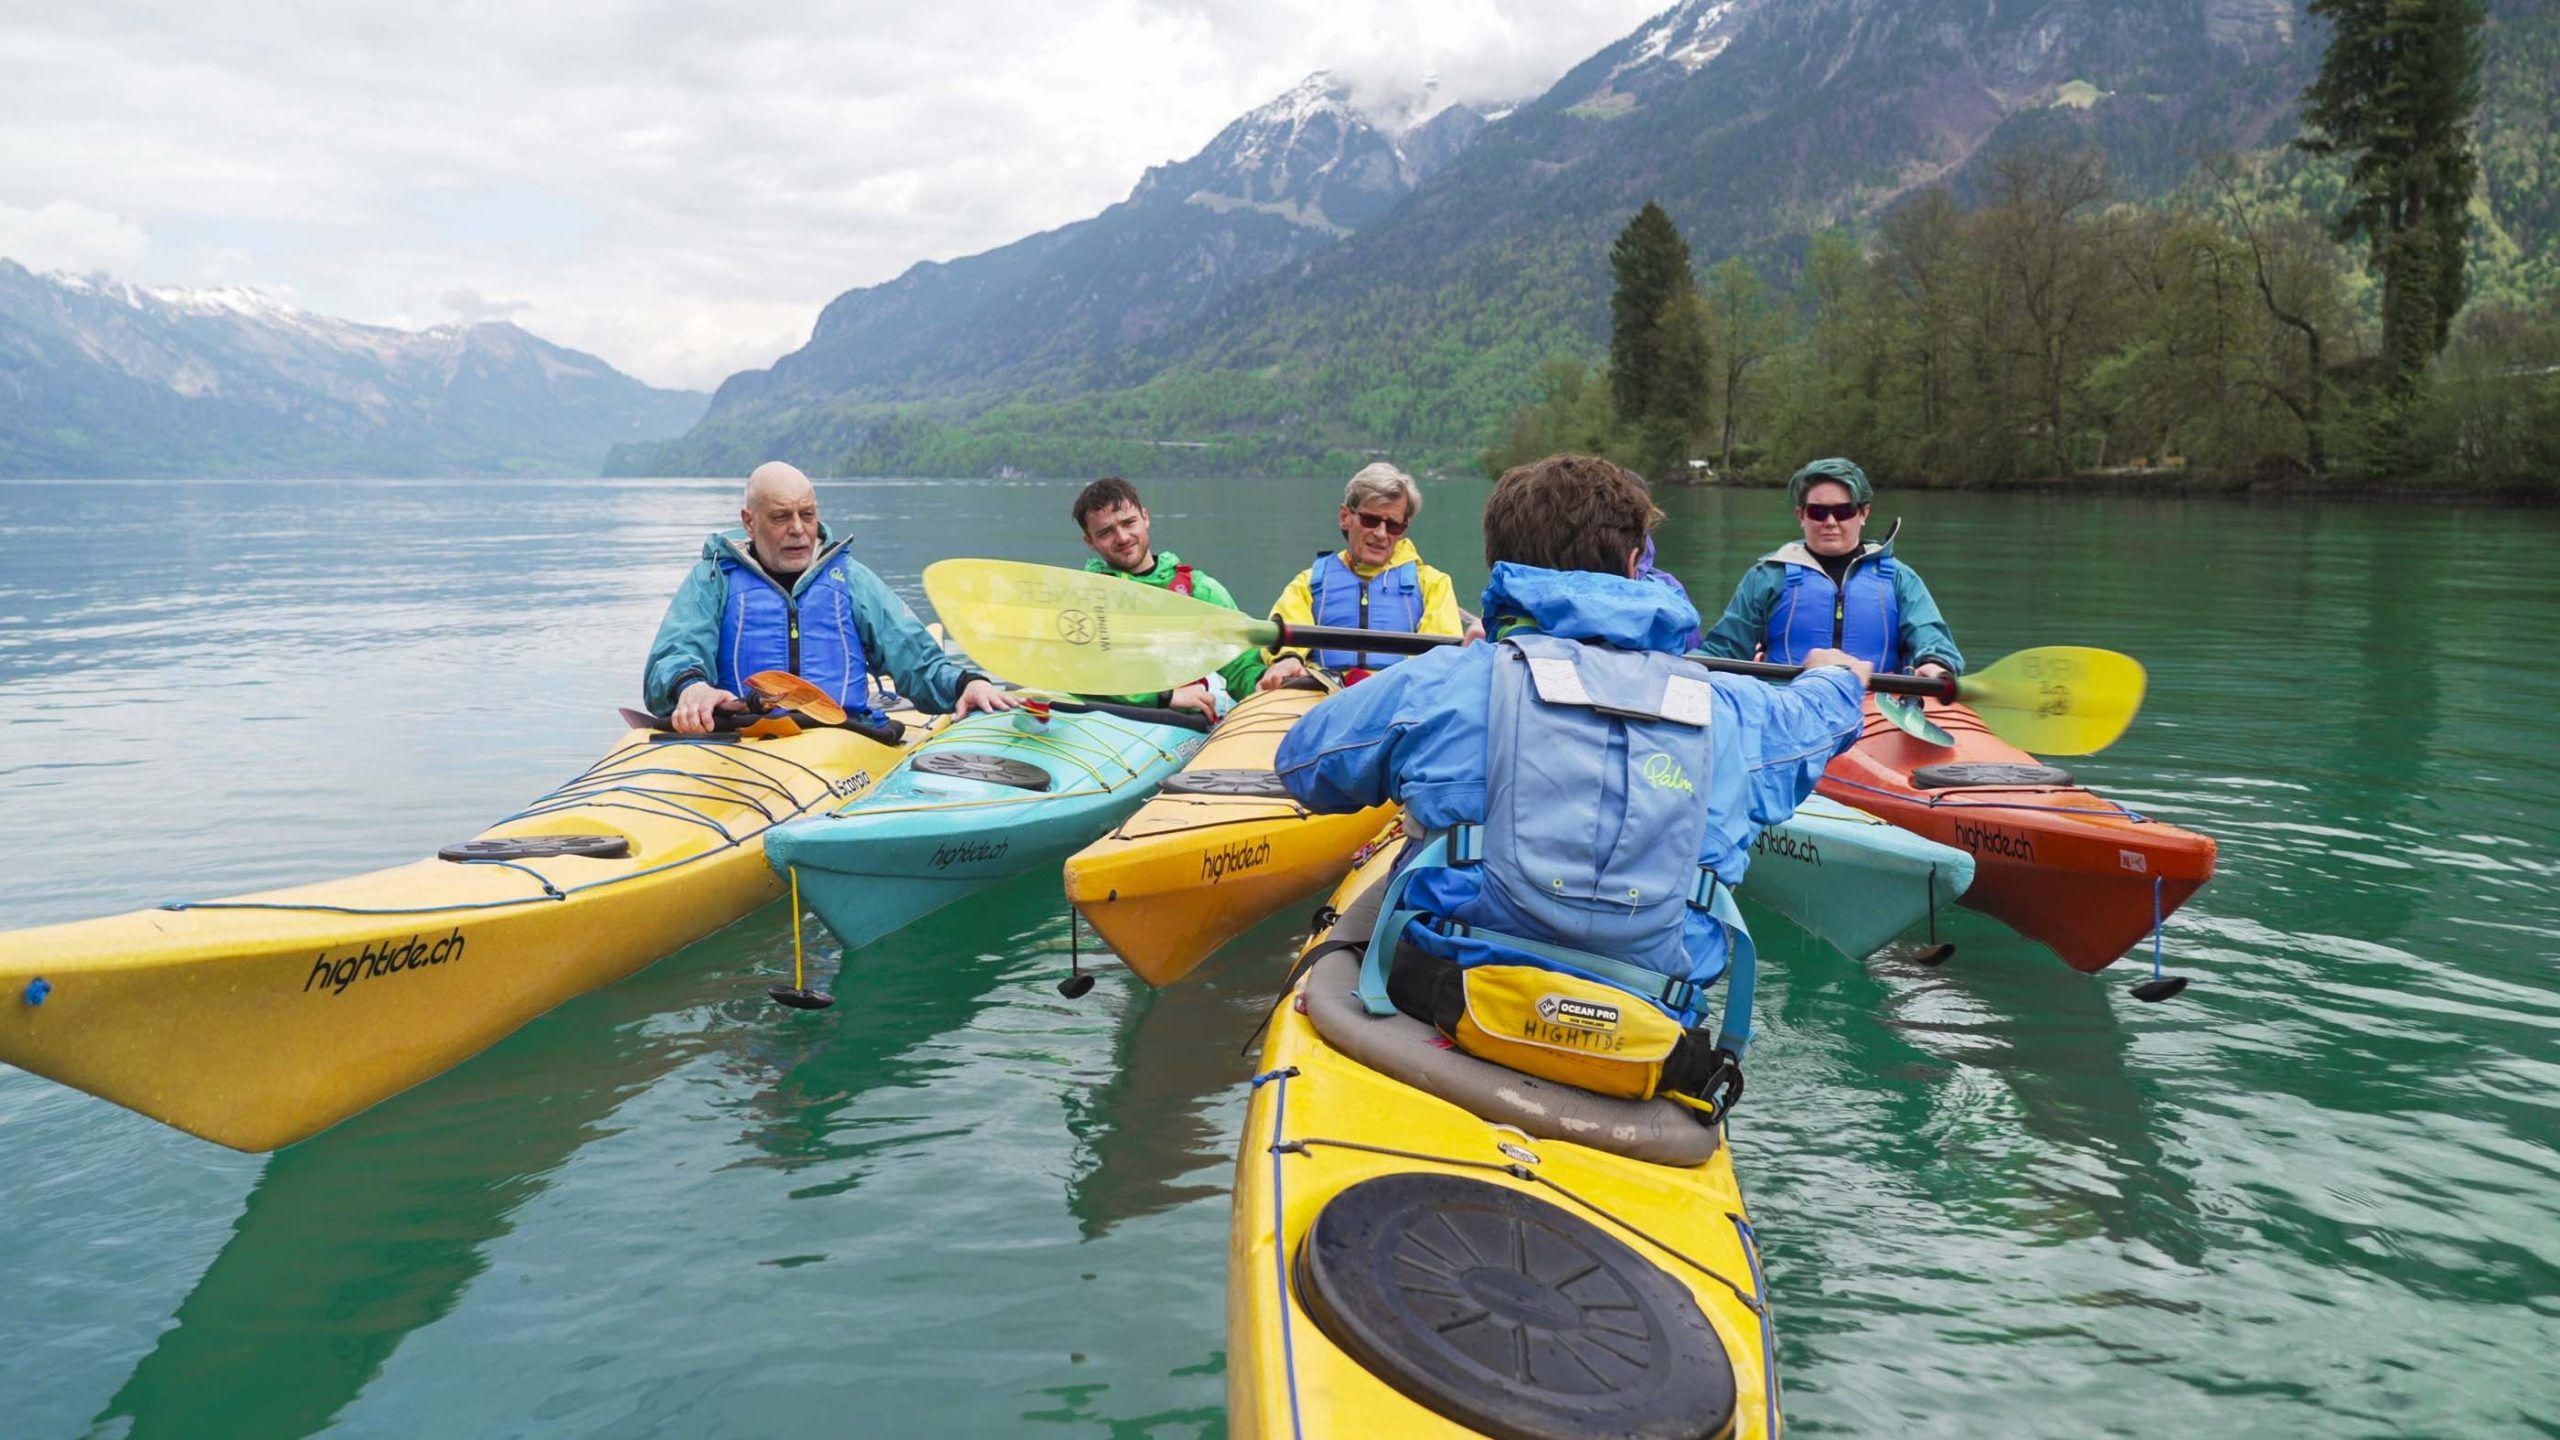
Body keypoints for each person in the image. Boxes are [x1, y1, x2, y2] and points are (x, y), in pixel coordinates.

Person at [1273, 454, 1871, 1108]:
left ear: (1501, 563)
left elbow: (1304, 764)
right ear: (1636, 560)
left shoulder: (1448, 681)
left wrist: (1457, 670)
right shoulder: (1733, 710)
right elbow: (1822, 719)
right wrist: (1835, 674)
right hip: (1646, 1028)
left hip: (1445, 1002)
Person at [644, 461, 1014, 734]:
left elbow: (917, 662)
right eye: (780, 517)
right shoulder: (714, 579)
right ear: (749, 522)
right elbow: (674, 655)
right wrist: (691, 688)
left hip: (842, 739)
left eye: (807, 514)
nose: (799, 530)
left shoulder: (850, 579)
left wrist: (968, 684)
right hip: (741, 736)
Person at [1698, 457, 1963, 681]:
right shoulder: (1767, 577)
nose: (1830, 522)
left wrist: (1936, 662)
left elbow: (1932, 638)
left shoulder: (1899, 578)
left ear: (1863, 514)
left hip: (1878, 711)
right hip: (1787, 705)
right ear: (1800, 515)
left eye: (1843, 511)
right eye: (1817, 512)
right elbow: (1724, 649)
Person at [1258, 463, 1473, 689]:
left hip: (1397, 697)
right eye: (1370, 520)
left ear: (1404, 528)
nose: (1381, 534)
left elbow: (1439, 658)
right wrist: (1287, 660)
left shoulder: (1433, 584)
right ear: (1345, 517)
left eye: (1393, 526)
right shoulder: (1308, 583)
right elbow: (1283, 637)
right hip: (1322, 694)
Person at [1072, 476, 1265, 715]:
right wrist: (1165, 696)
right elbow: (1080, 668)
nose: (1122, 538)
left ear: (1145, 517)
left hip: (1177, 725)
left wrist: (1262, 682)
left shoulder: (1198, 590)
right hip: (1099, 717)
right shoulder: (1081, 596)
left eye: (1129, 522)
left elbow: (1240, 664)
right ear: (1089, 541)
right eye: (1106, 532)